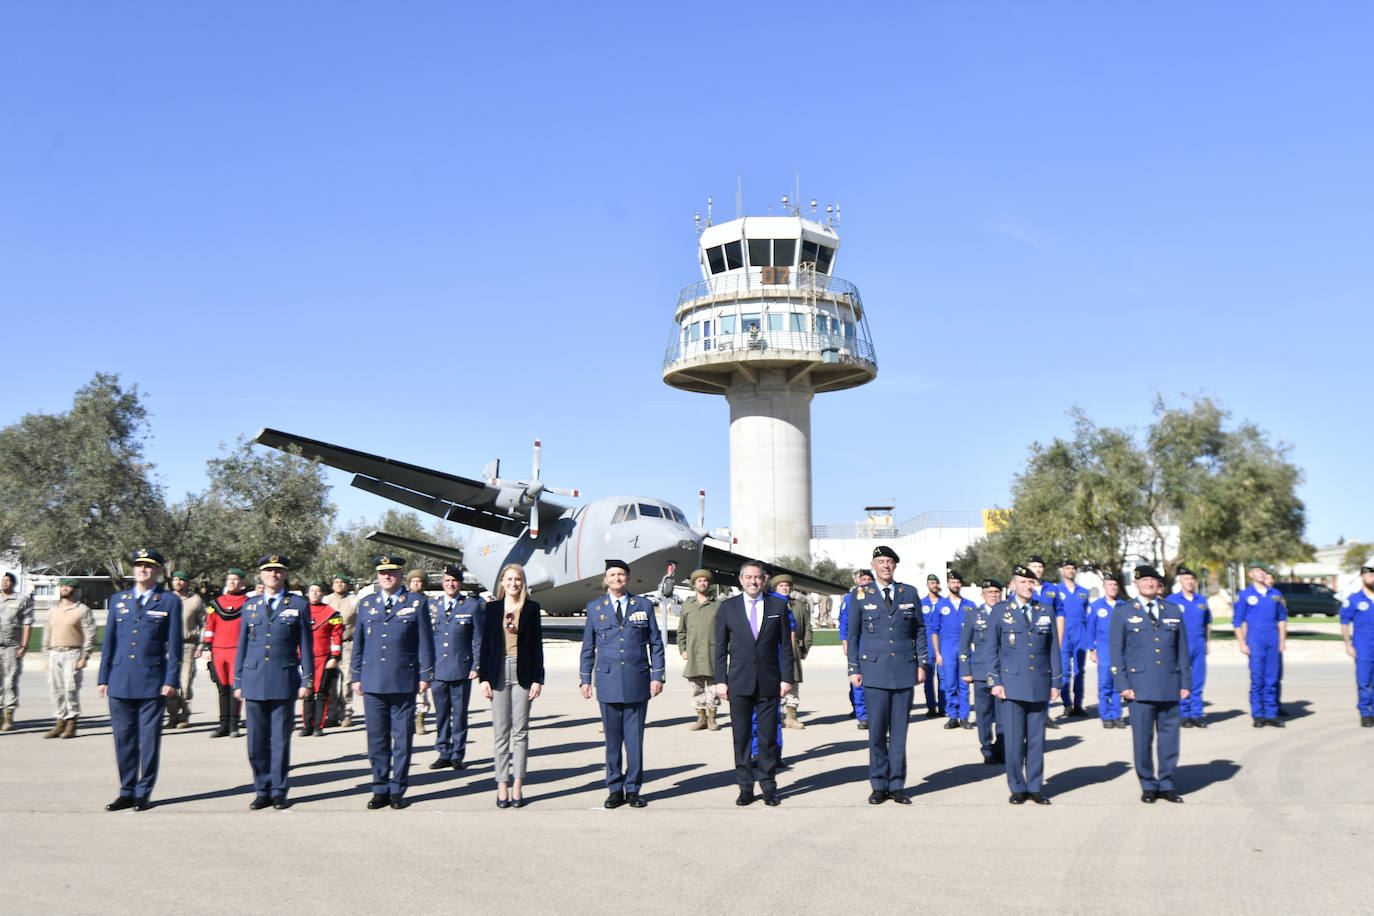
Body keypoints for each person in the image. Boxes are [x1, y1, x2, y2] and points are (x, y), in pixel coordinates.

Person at [97, 549, 183, 811]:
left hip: (152, 680)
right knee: (123, 739)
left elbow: (176, 646)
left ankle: (143, 792)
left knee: (149, 740)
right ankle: (126, 790)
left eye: (149, 566)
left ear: (158, 571)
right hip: (120, 679)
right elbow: (109, 642)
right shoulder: (118, 599)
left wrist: (171, 679)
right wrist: (103, 677)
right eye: (138, 565)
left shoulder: (168, 601)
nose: (143, 570)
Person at [580, 559, 665, 808]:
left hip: (637, 681)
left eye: (621, 575)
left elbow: (656, 644)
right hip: (607, 681)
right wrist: (585, 679)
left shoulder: (644, 605)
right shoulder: (595, 608)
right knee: (613, 741)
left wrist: (657, 676)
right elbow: (588, 647)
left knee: (635, 740)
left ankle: (634, 789)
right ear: (606, 579)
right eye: (612, 575)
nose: (617, 578)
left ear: (628, 578)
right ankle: (614, 788)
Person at [351, 555, 434, 809]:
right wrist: (355, 675)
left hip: (403, 680)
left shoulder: (416, 602)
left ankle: (397, 788)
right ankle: (380, 788)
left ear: (400, 575)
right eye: (382, 572)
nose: (387, 576)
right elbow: (359, 644)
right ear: (377, 576)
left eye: (392, 572)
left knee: (402, 739)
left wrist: (425, 675)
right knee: (376, 739)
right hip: (373, 680)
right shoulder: (366, 604)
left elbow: (425, 642)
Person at [233, 555, 313, 810]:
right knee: (256, 742)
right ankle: (262, 789)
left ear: (285, 575)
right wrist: (238, 680)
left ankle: (279, 790)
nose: (273, 575)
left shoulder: (298, 604)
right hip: (254, 679)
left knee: (280, 740)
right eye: (268, 570)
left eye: (278, 571)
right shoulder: (250, 606)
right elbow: (242, 646)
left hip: (283, 679)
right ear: (261, 575)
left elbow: (306, 647)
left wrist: (307, 680)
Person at [848, 546, 926, 805]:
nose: (885, 566)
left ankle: (897, 785)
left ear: (895, 566)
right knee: (877, 733)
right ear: (873, 565)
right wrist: (854, 668)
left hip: (904, 671)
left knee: (900, 734)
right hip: (874, 672)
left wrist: (921, 664)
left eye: (890, 561)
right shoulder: (860, 595)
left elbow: (920, 631)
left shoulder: (909, 593)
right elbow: (853, 634)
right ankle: (878, 785)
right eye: (881, 562)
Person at [714, 560, 795, 807]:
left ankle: (769, 786)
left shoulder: (777, 606)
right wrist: (720, 681)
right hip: (738, 682)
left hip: (770, 682)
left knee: (768, 737)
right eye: (748, 577)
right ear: (740, 580)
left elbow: (786, 647)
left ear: (764, 580)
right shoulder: (728, 607)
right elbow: (719, 647)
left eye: (758, 577)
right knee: (741, 737)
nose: (753, 581)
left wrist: (787, 678)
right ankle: (745, 787)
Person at [1110, 565, 1190, 803]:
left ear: (1159, 585)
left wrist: (1186, 681)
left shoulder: (1173, 610)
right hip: (1139, 687)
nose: (1149, 583)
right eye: (1144, 580)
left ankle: (1166, 783)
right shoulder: (1123, 612)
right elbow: (1116, 653)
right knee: (1142, 740)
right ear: (1135, 584)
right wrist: (1122, 684)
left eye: (1153, 580)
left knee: (1169, 739)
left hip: (1169, 684)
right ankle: (1147, 784)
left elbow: (1183, 650)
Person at [987, 564, 1061, 805]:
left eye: (1031, 583)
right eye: (1022, 582)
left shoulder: (1045, 611)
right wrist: (995, 681)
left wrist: (1056, 682)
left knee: (1037, 740)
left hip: (1039, 683)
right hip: (1010, 685)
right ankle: (1017, 786)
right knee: (1014, 740)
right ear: (1012, 585)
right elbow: (991, 650)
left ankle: (1036, 786)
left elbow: (1053, 650)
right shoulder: (1000, 611)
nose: (1028, 586)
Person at [478, 562, 544, 808]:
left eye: (517, 579)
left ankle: (518, 785)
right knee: (501, 733)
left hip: (523, 672)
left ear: (522, 582)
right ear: (502, 583)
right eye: (509, 579)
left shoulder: (531, 608)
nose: (513, 583)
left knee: (521, 731)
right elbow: (485, 646)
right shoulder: (493, 608)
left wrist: (538, 678)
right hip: (498, 672)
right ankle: (502, 785)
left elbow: (537, 645)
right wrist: (484, 677)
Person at [428, 564, 482, 769]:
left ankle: (458, 754)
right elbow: (425, 640)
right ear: (443, 583)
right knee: (441, 714)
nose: (451, 584)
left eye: (454, 581)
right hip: (437, 670)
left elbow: (478, 638)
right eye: (447, 581)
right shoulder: (431, 606)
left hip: (461, 668)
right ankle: (443, 752)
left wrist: (476, 665)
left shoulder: (471, 606)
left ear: (460, 583)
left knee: (459, 714)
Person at [1233, 562, 1287, 727]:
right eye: (1257, 570)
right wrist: (1242, 643)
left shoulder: (1275, 594)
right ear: (1250, 574)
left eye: (1263, 570)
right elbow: (1237, 621)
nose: (1261, 573)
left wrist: (1282, 640)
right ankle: (1258, 714)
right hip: (1255, 640)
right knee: (1257, 679)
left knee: (1271, 678)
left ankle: (1271, 714)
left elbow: (1282, 619)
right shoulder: (1244, 595)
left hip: (1272, 639)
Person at [41, 578, 96, 739]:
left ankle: (71, 721)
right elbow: (47, 633)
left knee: (70, 689)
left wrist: (85, 655)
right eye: (63, 586)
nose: (65, 589)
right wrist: (45, 655)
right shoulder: (53, 610)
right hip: (54, 653)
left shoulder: (82, 609)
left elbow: (91, 633)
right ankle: (60, 721)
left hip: (72, 653)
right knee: (56, 690)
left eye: (69, 586)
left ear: (76, 590)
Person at [197, 569, 249, 738]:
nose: (232, 582)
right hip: (219, 651)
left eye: (236, 579)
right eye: (230, 579)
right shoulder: (216, 604)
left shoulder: (249, 603)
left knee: (236, 689)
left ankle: (234, 725)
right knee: (222, 689)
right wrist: (207, 648)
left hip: (238, 651)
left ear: (242, 583)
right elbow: (210, 627)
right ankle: (223, 724)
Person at [960, 577, 1006, 764]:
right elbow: (963, 646)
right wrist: (965, 670)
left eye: (996, 592)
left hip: (1003, 672)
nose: (993, 595)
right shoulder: (973, 615)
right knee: (984, 714)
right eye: (989, 592)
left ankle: (1002, 748)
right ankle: (987, 748)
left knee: (1003, 714)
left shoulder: (1007, 613)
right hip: (980, 673)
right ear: (982, 595)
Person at [1165, 565, 1212, 727]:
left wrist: (1207, 642)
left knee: (1198, 679)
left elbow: (1207, 624)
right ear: (1180, 581)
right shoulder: (1172, 600)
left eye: (1191, 579)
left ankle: (1196, 714)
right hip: (1180, 644)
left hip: (1199, 643)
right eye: (1186, 579)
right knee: (1182, 680)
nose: (1189, 582)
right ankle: (1183, 714)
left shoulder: (1202, 600)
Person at [676, 569, 721, 731]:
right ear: (694, 584)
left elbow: (725, 630)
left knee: (713, 688)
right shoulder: (688, 605)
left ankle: (712, 719)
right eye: (699, 581)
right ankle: (701, 718)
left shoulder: (717, 605)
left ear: (709, 584)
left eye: (705, 581)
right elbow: (681, 630)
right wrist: (682, 649)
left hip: (713, 652)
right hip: (694, 653)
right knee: (696, 687)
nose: (702, 583)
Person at [932, 571, 974, 729]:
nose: (956, 585)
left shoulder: (969, 605)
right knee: (949, 685)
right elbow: (934, 631)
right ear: (948, 584)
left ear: (961, 584)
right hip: (947, 649)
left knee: (964, 684)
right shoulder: (941, 606)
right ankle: (952, 716)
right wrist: (937, 653)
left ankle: (964, 717)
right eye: (953, 582)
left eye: (958, 582)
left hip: (965, 651)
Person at [165, 570, 205, 729]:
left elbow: (204, 624)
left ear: (187, 583)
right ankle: (172, 716)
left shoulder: (195, 600)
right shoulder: (165, 599)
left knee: (185, 683)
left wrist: (201, 645)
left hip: (188, 645)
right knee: (169, 683)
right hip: (168, 646)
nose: (178, 582)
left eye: (182, 580)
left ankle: (184, 715)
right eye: (175, 579)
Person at [302, 580, 342, 737]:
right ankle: (307, 726)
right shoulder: (301, 611)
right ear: (307, 593)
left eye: (318, 591)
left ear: (323, 594)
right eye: (312, 590)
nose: (315, 593)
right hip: (304, 658)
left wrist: (334, 657)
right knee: (307, 692)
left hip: (324, 659)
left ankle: (318, 726)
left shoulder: (331, 614)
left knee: (322, 693)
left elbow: (336, 638)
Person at [1087, 576, 1126, 728]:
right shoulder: (1096, 606)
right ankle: (1106, 716)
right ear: (1104, 586)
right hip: (1104, 652)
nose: (1113, 587)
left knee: (1119, 686)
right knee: (1105, 686)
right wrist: (1091, 650)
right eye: (1110, 584)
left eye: (1115, 584)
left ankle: (1117, 716)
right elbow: (1090, 629)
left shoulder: (1124, 606)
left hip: (1121, 652)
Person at [1054, 559, 1091, 719]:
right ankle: (1067, 704)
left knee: (1079, 672)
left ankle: (1078, 704)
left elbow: (1088, 616)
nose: (1070, 570)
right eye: (1067, 568)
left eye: (1072, 568)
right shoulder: (1056, 590)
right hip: (1064, 635)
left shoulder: (1084, 591)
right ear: (1062, 571)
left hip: (1080, 635)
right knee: (1064, 671)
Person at [838, 570, 874, 730]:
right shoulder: (850, 598)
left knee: (874, 680)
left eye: (869, 579)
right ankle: (862, 715)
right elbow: (844, 622)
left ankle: (875, 712)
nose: (866, 581)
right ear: (858, 581)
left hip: (874, 643)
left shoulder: (879, 596)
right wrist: (845, 642)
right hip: (857, 643)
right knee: (857, 679)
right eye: (863, 579)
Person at [775, 574, 812, 729]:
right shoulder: (769, 603)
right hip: (774, 650)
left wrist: (805, 647)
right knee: (775, 683)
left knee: (793, 682)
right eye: (781, 585)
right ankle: (777, 717)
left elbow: (807, 627)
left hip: (794, 649)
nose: (785, 588)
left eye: (787, 585)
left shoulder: (798, 605)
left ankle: (791, 716)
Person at [1339, 564, 1374, 727]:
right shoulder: (1354, 600)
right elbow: (1344, 622)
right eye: (1370, 576)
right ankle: (1365, 712)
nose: (1372, 578)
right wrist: (1348, 644)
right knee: (1364, 680)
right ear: (1362, 577)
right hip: (1363, 645)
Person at [323, 574, 358, 727]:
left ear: (347, 585)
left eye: (342, 582)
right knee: (330, 681)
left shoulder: (354, 600)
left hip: (348, 643)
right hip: (328, 645)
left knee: (347, 680)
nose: (339, 585)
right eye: (336, 582)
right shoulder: (326, 600)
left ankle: (346, 712)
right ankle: (331, 714)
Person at [0, 571, 34, 731]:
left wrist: (23, 646)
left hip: (12, 646)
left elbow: (27, 624)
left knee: (9, 682)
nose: (4, 583)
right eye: (2, 580)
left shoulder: (21, 599)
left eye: (7, 581)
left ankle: (9, 715)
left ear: (13, 583)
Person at [406, 570, 432, 736]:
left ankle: (420, 717)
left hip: (422, 648)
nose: (416, 584)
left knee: (422, 685)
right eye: (413, 581)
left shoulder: (429, 602)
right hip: (407, 648)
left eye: (419, 581)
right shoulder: (403, 600)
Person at [920, 574, 944, 718]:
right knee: (928, 678)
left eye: (936, 582)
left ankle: (943, 706)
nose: (934, 585)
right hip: (927, 646)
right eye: (931, 583)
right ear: (927, 585)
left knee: (944, 678)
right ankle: (931, 707)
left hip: (942, 646)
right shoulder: (922, 603)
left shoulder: (944, 603)